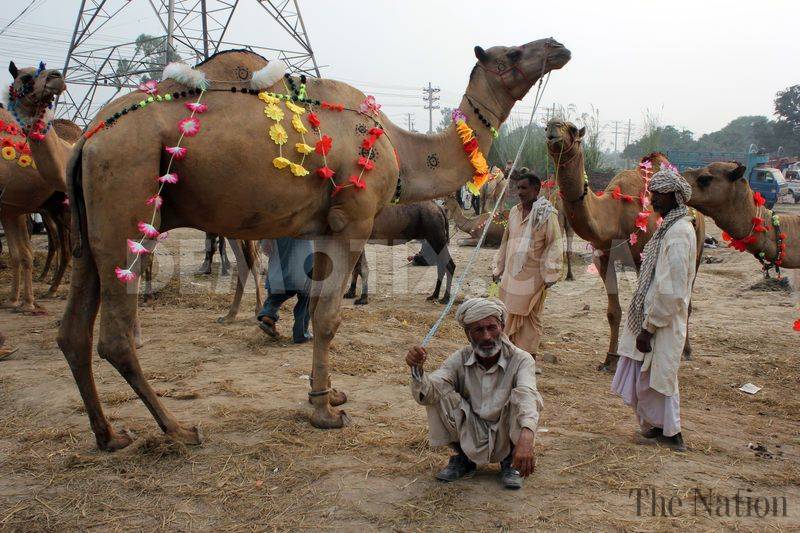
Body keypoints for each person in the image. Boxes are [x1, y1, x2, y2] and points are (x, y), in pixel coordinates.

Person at [406, 298, 543, 489]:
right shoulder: (459, 358)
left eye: (492, 327)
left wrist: (527, 438)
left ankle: (511, 462)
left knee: (523, 399)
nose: (487, 336)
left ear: (502, 327)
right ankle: (464, 458)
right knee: (438, 393)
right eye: (479, 330)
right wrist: (417, 370)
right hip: (472, 428)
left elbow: (528, 396)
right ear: (468, 334)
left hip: (506, 429)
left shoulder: (521, 359)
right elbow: (429, 392)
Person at [611, 168, 697, 452]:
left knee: (662, 376)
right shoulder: (668, 228)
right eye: (652, 193)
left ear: (674, 196)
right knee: (646, 373)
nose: (653, 199)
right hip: (650, 313)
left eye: (658, 194)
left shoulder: (680, 232)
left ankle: (672, 434)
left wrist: (649, 328)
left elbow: (671, 288)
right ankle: (655, 427)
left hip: (662, 319)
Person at [492, 170, 563, 358]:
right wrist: (498, 267)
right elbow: (505, 242)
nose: (520, 192)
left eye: (524, 188)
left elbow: (554, 244)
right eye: (518, 188)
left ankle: (527, 359)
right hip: (511, 275)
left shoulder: (547, 215)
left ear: (536, 189)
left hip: (534, 278)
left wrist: (551, 274)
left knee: (531, 319)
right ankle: (508, 355)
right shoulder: (514, 212)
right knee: (506, 315)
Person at [257, 237, 313, 344]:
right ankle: (301, 334)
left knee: (275, 297)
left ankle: (268, 315)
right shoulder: (306, 221)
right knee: (305, 301)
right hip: (304, 269)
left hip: (279, 272)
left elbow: (266, 248)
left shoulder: (275, 223)